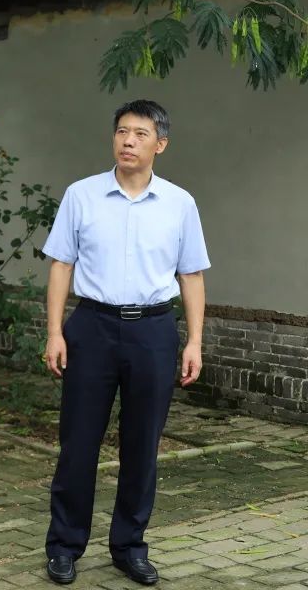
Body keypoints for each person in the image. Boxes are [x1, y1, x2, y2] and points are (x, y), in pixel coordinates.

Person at [41, 100, 209, 586]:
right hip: (91, 327)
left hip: (153, 332)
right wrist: (55, 331)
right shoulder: (82, 195)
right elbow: (61, 265)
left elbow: (191, 274)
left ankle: (129, 546)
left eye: (140, 134)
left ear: (161, 144)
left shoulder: (180, 203)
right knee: (78, 443)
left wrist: (194, 341)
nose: (128, 141)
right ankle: (64, 546)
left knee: (142, 445)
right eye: (121, 131)